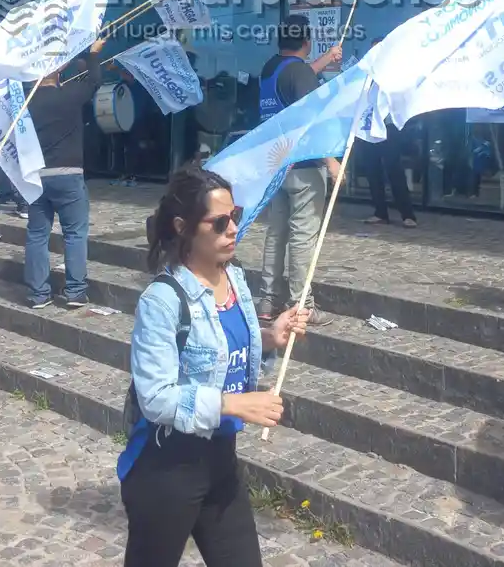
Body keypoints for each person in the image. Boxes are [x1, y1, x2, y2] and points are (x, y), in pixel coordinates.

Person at [119, 166, 310, 567]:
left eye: (236, 216)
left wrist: (272, 337)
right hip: (167, 468)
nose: (232, 229)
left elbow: (228, 354)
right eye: (219, 222)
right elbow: (155, 398)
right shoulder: (162, 300)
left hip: (221, 461)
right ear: (183, 227)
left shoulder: (235, 278)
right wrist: (235, 405)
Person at [254, 16, 341, 322]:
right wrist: (331, 161)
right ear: (307, 41)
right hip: (304, 166)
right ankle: (301, 304)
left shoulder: (270, 69)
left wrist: (326, 59)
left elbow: (296, 84)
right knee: (303, 236)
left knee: (276, 233)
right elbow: (311, 118)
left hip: (277, 165)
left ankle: (267, 300)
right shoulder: (299, 73)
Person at [24, 43, 105, 309]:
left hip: (36, 176)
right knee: (75, 233)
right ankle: (75, 292)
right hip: (68, 174)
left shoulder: (26, 103)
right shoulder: (69, 95)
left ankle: (38, 294)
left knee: (37, 234)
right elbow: (95, 81)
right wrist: (92, 54)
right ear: (58, 73)